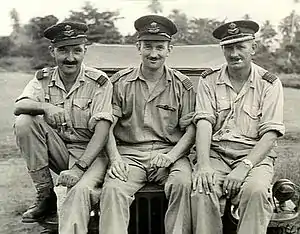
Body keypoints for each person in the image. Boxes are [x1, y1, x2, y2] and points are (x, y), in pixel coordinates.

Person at [98, 15, 196, 234]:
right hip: (129, 154)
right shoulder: (120, 83)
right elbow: (107, 126)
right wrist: (115, 160)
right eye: (148, 46)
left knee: (182, 184)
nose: (154, 53)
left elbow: (191, 129)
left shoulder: (183, 86)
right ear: (138, 47)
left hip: (170, 153)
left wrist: (171, 158)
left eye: (160, 47)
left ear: (169, 49)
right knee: (113, 188)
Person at [14, 22, 113, 234]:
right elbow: (19, 106)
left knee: (79, 193)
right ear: (52, 52)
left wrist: (79, 168)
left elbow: (103, 130)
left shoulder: (99, 82)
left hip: (91, 153)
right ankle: (45, 195)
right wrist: (45, 106)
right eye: (63, 50)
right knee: (25, 121)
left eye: (77, 51)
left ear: (85, 51)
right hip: (60, 148)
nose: (70, 58)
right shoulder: (43, 79)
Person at [191, 20, 285, 234]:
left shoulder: (269, 83)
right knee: (201, 189)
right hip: (217, 154)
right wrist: (203, 165)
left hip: (255, 156)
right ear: (223, 50)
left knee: (256, 191)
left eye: (240, 46)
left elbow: (270, 134)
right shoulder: (209, 79)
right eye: (228, 48)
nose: (234, 54)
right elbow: (204, 122)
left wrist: (245, 166)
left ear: (253, 48)